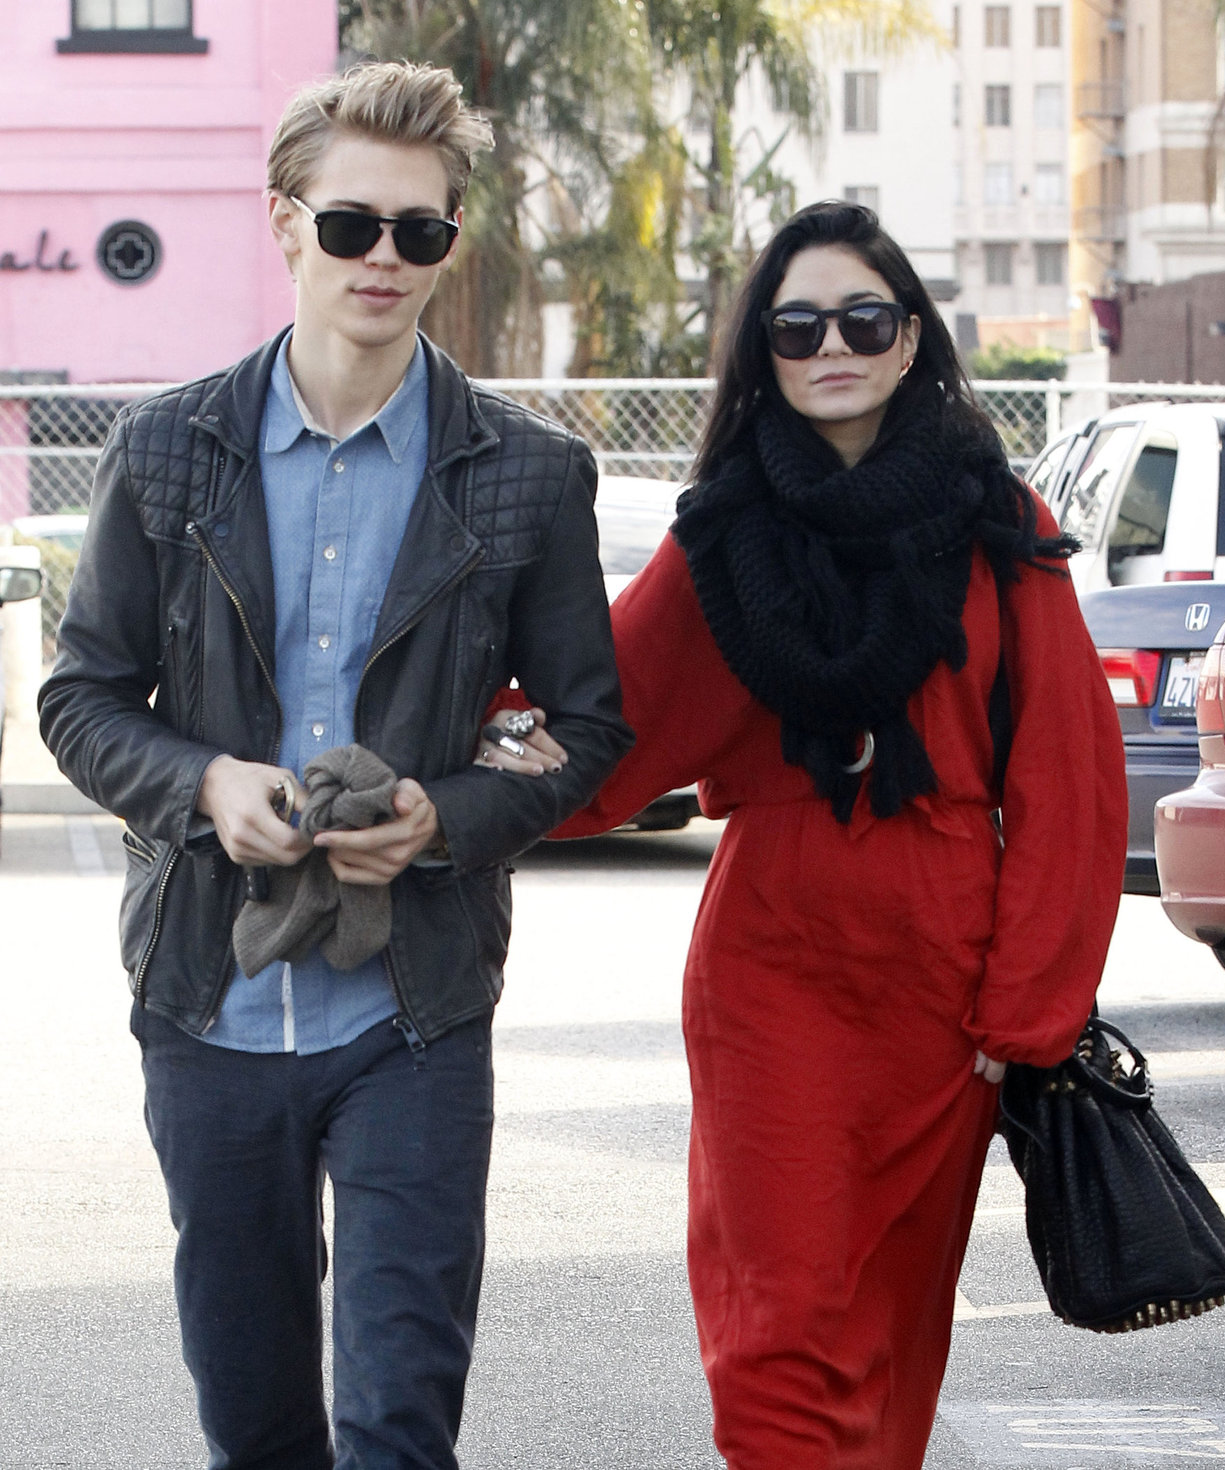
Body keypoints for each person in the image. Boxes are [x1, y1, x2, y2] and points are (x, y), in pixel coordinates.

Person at [39, 60, 631, 1470]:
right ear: (284, 223)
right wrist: (203, 784)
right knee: (254, 1429)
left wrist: (444, 815)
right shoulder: (167, 449)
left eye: (418, 233)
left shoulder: (525, 475)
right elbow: (80, 697)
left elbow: (588, 725)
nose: (384, 258)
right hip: (207, 994)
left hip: (413, 1013)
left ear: (448, 242)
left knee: (394, 1424)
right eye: (353, 224)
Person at [480, 200, 1127, 1470]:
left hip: (946, 982)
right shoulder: (725, 534)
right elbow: (608, 720)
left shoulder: (1001, 522)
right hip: (773, 964)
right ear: (761, 354)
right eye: (795, 325)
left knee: (888, 1333)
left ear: (907, 341)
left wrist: (1026, 1021)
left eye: (861, 317)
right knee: (774, 1332)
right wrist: (456, 746)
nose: (829, 343)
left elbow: (1068, 780)